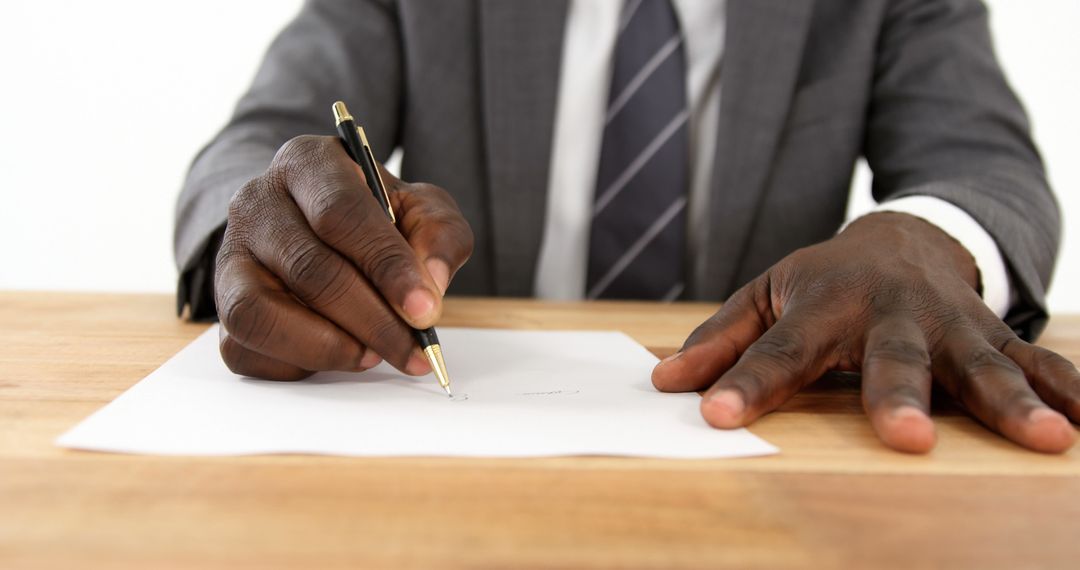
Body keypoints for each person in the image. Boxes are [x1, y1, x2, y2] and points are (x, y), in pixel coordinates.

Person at [174, 0, 1079, 454]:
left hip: (760, 458)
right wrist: (268, 230)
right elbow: (256, 145)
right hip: (463, 469)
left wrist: (920, 235)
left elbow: (986, 167)